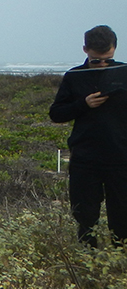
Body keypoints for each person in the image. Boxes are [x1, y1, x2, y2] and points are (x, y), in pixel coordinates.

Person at [49, 25, 127, 247]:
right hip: (85, 158)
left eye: (107, 60)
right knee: (85, 215)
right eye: (96, 60)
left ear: (114, 49)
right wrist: (83, 105)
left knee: (122, 216)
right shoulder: (75, 76)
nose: (102, 65)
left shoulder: (125, 73)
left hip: (121, 157)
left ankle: (118, 262)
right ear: (85, 50)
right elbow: (56, 114)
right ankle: (87, 261)